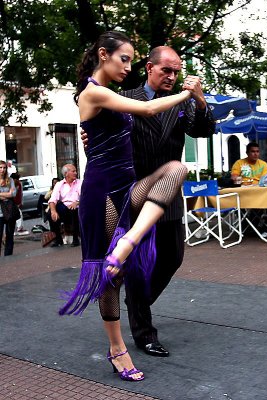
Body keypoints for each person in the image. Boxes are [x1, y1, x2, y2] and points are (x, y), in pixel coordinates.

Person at [59, 31, 200, 382]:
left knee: (177, 168)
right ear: (103, 54)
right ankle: (117, 348)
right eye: (124, 59)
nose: (128, 66)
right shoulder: (94, 91)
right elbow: (149, 108)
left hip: (129, 187)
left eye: (132, 61)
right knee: (111, 278)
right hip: (104, 190)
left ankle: (129, 241)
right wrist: (187, 93)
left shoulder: (111, 95)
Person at [81, 45, 215, 357]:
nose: (173, 76)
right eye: (166, 70)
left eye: (177, 71)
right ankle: (144, 332)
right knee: (139, 266)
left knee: (172, 258)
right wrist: (90, 140)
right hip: (132, 193)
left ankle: (136, 303)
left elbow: (205, 131)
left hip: (167, 195)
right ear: (149, 68)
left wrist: (199, 98)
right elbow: (103, 137)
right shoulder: (125, 97)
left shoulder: (183, 104)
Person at [48, 164, 81, 247]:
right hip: (64, 206)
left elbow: (85, 197)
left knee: (74, 210)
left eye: (75, 171)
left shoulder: (80, 183)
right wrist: (53, 211)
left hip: (77, 206)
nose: (76, 173)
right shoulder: (59, 184)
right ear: (66, 173)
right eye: (73, 171)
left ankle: (75, 239)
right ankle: (58, 239)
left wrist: (77, 202)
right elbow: (53, 199)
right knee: (50, 213)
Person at [0, 160, 17, 256]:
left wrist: (2, 196)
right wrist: (8, 195)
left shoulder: (10, 180)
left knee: (10, 235)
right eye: (0, 167)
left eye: (4, 167)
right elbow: (9, 194)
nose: (2, 170)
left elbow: (13, 194)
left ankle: (8, 256)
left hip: (10, 210)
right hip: (0, 212)